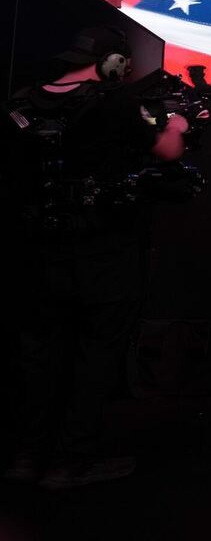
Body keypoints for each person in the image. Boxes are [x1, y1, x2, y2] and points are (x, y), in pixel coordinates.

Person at [1, 25, 189, 490]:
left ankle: (26, 458)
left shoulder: (19, 102)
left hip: (36, 251)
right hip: (103, 249)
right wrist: (179, 124)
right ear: (112, 63)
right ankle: (71, 462)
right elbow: (167, 150)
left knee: (37, 356)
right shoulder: (114, 102)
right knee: (95, 355)